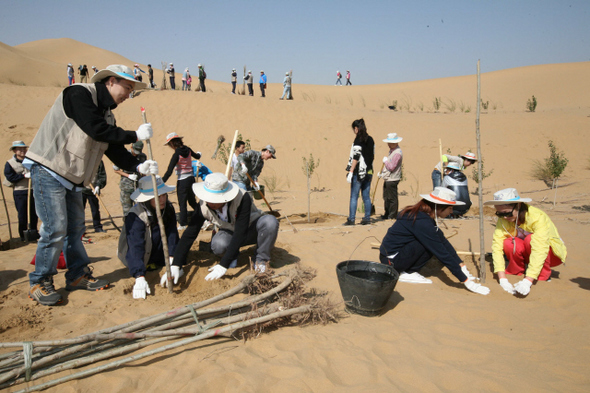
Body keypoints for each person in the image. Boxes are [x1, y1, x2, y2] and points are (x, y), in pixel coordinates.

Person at [24, 64, 158, 306]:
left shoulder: (107, 114)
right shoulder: (79, 94)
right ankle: (40, 280)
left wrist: (137, 166)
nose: (129, 94)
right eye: (127, 87)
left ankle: (77, 275)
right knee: (55, 229)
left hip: (73, 179)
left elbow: (113, 148)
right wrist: (135, 136)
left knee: (75, 231)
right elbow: (96, 130)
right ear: (111, 81)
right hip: (49, 169)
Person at [163, 173, 279, 284]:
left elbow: (240, 232)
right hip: (229, 233)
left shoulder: (242, 198)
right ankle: (233, 255)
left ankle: (260, 259)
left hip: (251, 230)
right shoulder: (204, 206)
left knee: (270, 222)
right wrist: (176, 264)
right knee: (218, 244)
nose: (211, 202)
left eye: (215, 200)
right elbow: (190, 233)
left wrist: (224, 264)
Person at [379, 187, 490, 295]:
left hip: (397, 256)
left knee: (434, 241)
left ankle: (407, 270)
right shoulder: (421, 221)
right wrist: (465, 281)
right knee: (430, 245)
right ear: (440, 207)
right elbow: (441, 252)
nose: (451, 212)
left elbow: (443, 241)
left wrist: (461, 266)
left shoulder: (424, 217)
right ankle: (405, 272)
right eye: (450, 208)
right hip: (392, 261)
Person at [484, 188, 566, 296]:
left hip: (549, 254)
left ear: (517, 206)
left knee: (530, 240)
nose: (504, 217)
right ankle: (516, 271)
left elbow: (540, 249)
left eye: (507, 213)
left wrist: (528, 280)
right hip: (527, 252)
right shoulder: (503, 220)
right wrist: (502, 277)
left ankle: (541, 276)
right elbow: (497, 245)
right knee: (509, 243)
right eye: (499, 214)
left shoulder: (537, 217)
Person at [117, 176, 179, 299]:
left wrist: (173, 260)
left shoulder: (168, 208)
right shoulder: (136, 216)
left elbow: (172, 234)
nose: (162, 200)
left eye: (163, 195)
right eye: (157, 197)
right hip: (142, 254)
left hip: (160, 251)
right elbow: (135, 246)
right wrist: (139, 276)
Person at [162, 133, 202, 229]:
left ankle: (183, 223)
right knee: (192, 201)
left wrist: (161, 182)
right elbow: (197, 156)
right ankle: (203, 218)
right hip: (191, 179)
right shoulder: (187, 149)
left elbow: (169, 170)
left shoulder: (176, 154)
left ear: (172, 143)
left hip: (182, 180)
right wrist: (199, 154)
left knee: (182, 202)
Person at [4, 141, 38, 241]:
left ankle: (33, 232)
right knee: (22, 214)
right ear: (15, 151)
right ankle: (23, 235)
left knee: (34, 213)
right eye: (20, 149)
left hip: (32, 190)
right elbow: (10, 177)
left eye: (24, 149)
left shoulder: (30, 160)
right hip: (20, 191)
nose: (23, 151)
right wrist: (23, 176)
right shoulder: (10, 163)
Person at [344, 118, 374, 226]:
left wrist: (351, 171)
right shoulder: (370, 139)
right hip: (369, 171)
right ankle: (367, 218)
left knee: (354, 196)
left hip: (359, 173)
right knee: (366, 196)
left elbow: (356, 157)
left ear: (356, 129)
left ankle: (351, 219)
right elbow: (372, 156)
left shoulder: (358, 140)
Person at [114, 141, 147, 216]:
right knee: (127, 211)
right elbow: (116, 169)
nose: (136, 154)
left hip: (138, 187)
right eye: (135, 151)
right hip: (126, 187)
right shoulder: (124, 155)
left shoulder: (142, 157)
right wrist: (128, 176)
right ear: (131, 147)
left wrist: (142, 180)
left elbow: (144, 171)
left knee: (140, 210)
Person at [378, 133, 403, 220]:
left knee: (392, 198)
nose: (388, 145)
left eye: (390, 143)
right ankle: (387, 213)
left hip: (393, 178)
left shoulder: (397, 153)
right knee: (386, 197)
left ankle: (392, 215)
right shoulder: (392, 151)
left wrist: (386, 162)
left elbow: (392, 167)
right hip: (388, 178)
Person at [82, 161, 106, 233]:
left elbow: (102, 176)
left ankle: (97, 227)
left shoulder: (99, 162)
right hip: (82, 190)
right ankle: (81, 229)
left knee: (95, 210)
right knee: (80, 210)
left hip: (93, 190)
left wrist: (98, 185)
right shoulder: (83, 160)